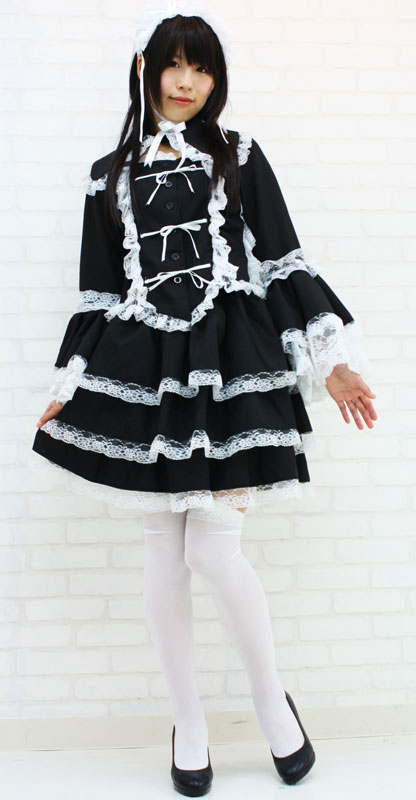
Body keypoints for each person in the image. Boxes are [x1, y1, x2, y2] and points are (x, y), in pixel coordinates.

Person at [29, 0, 377, 794]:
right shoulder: (107, 177)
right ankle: (187, 719)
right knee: (164, 551)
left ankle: (270, 701)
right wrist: (69, 385)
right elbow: (97, 294)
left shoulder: (239, 155)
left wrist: (330, 361)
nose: (185, 82)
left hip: (231, 364)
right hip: (143, 370)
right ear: (146, 69)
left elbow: (282, 259)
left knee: (212, 548)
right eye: (173, 64)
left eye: (201, 68)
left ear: (217, 80)